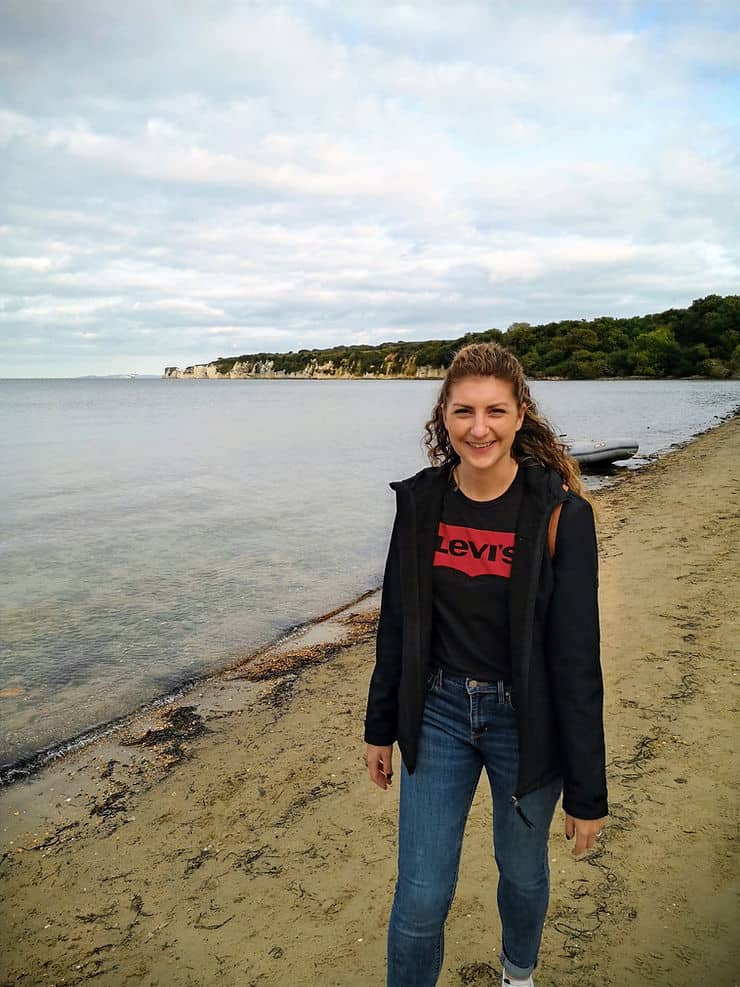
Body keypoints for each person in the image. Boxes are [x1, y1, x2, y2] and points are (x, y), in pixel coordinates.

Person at [363, 342, 608, 987]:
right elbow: (398, 622)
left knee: (522, 870)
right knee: (420, 896)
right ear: (443, 415)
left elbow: (578, 662)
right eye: (464, 411)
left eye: (495, 411)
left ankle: (517, 975)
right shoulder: (420, 506)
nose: (480, 428)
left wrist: (588, 791)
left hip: (525, 723)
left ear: (520, 414)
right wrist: (378, 725)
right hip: (437, 713)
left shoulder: (561, 515)